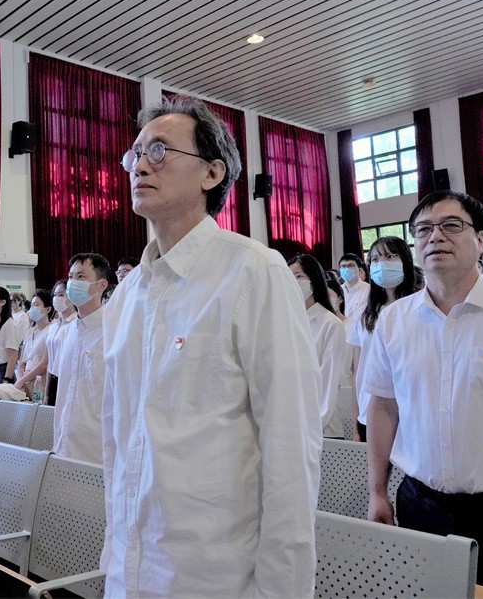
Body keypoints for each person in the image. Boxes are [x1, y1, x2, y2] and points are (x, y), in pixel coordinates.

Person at [102, 96, 321, 597]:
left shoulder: (253, 271)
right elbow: (119, 441)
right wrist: (114, 555)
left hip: (213, 576)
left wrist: (282, 590)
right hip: (131, 569)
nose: (140, 165)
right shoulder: (128, 294)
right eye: (135, 153)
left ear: (212, 173)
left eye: (159, 151)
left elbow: (290, 445)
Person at [364, 191, 483, 597]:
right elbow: (383, 407)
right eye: (423, 229)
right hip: (420, 505)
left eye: (451, 225)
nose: (435, 236)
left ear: (481, 238)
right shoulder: (394, 320)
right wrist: (377, 492)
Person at [346, 236, 417, 442]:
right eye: (375, 259)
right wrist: (355, 417)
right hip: (370, 411)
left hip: (411, 409)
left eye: (390, 256)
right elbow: (358, 369)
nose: (381, 264)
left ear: (405, 261)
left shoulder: (419, 307)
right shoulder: (364, 314)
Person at [53, 253, 111, 465]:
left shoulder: (113, 329)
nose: (72, 283)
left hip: (96, 449)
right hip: (63, 443)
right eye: (70, 276)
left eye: (81, 276)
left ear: (101, 285)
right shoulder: (69, 331)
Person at [289, 254, 345, 439]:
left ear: (313, 282)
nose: (293, 282)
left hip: (321, 428)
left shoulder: (330, 324)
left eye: (298, 276)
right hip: (294, 423)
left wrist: (315, 424)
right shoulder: (288, 322)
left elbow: (328, 381)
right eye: (289, 277)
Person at [13, 289, 54, 398]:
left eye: (36, 305)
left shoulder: (51, 331)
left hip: (41, 380)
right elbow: (22, 362)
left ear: (48, 309)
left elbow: (44, 364)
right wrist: (22, 381)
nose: (32, 308)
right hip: (25, 381)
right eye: (31, 305)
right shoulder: (29, 332)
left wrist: (23, 380)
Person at [44, 279, 76, 406]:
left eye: (61, 295)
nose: (57, 298)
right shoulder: (53, 326)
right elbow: (50, 361)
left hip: (67, 379)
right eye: (55, 295)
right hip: (53, 378)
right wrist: (46, 392)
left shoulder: (75, 324)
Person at [338, 252, 370, 320]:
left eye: (351, 266)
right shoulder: (338, 290)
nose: (347, 269)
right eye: (343, 266)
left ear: (359, 269)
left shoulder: (368, 289)